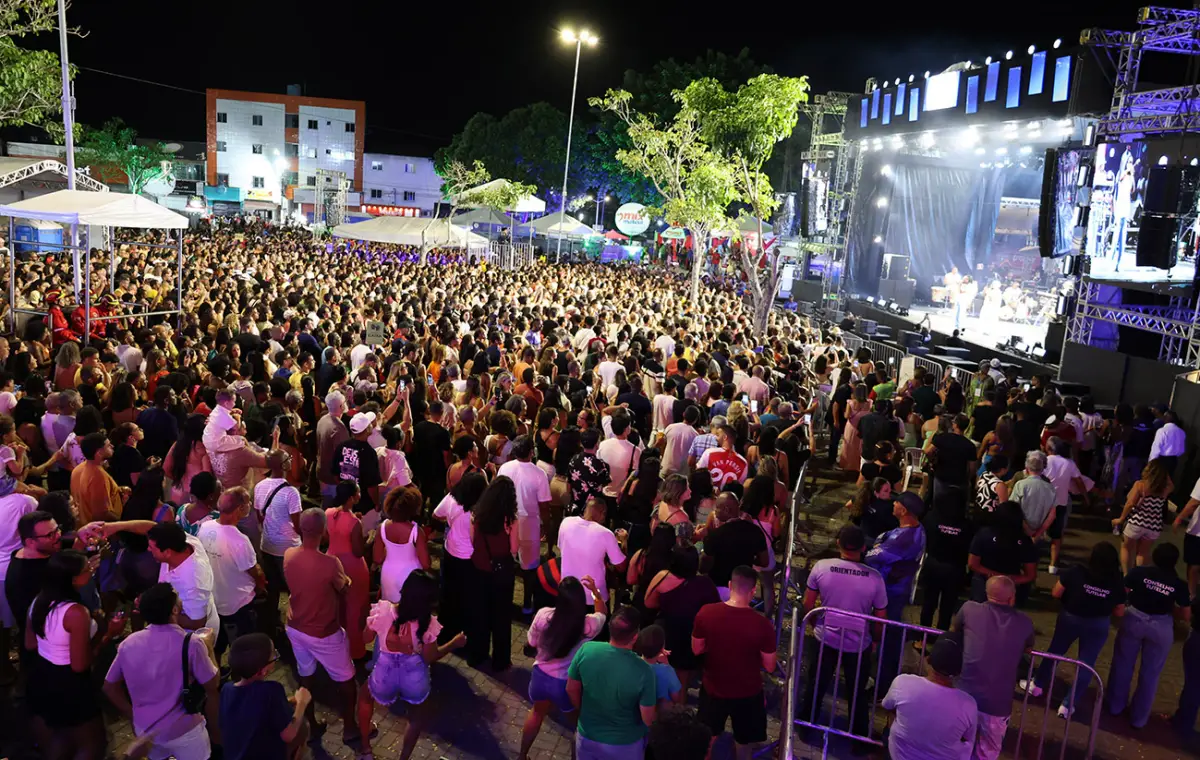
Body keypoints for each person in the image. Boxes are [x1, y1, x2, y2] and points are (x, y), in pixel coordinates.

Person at [356, 570, 468, 760]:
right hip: (414, 677)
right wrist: (454, 644)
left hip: (384, 673)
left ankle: (365, 749)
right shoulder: (428, 623)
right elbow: (431, 656)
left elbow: (365, 638)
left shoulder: (383, 609)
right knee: (415, 718)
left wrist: (370, 622)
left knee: (365, 698)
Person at [103, 583, 221, 760]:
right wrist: (209, 647)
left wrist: (132, 713)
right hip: (184, 729)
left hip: (146, 729)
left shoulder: (129, 643)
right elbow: (212, 683)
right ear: (174, 610)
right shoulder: (191, 643)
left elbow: (109, 686)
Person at [25, 550, 122, 760]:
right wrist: (108, 635)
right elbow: (80, 665)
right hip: (70, 684)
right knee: (92, 744)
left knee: (61, 736)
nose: (92, 571)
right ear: (74, 579)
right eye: (87, 570)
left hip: (43, 676)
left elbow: (30, 643)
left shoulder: (39, 601)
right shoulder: (76, 612)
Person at [799, 526, 887, 747]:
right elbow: (880, 618)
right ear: (863, 548)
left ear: (838, 543)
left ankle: (805, 730)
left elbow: (808, 605)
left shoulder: (821, 567)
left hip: (824, 636)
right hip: (859, 643)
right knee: (856, 692)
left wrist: (814, 624)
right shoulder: (875, 579)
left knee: (816, 684)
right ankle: (858, 740)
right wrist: (875, 640)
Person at [282, 507, 361, 749]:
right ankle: (349, 728)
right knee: (347, 679)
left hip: (295, 627)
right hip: (324, 632)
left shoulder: (288, 554)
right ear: (324, 532)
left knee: (306, 677)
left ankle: (312, 725)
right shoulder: (330, 563)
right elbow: (344, 588)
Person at [1019, 543, 1126, 718]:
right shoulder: (1116, 582)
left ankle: (1037, 685)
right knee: (1086, 664)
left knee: (1055, 651)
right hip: (1097, 625)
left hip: (1070, 618)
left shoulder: (1076, 571)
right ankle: (1068, 705)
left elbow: (1056, 592)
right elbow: (1119, 611)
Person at [692, 565, 777, 760]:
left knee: (707, 739)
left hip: (713, 688)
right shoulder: (762, 625)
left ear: (730, 585)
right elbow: (770, 665)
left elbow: (697, 649)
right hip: (748, 692)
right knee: (744, 743)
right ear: (753, 590)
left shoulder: (706, 613)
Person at [520, 575, 607, 759]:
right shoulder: (587, 625)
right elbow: (603, 612)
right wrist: (596, 592)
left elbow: (531, 642)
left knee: (536, 713)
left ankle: (522, 756)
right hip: (565, 685)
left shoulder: (543, 615)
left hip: (540, 676)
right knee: (578, 726)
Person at [1106, 542, 1191, 729]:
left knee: (1122, 664)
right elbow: (1186, 615)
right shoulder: (1179, 584)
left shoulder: (1139, 573)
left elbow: (1122, 592)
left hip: (1135, 618)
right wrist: (1169, 609)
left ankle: (1115, 706)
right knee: (1151, 674)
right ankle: (1138, 718)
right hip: (1161, 626)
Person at [951, 576, 1035, 760]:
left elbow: (954, 631)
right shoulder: (1024, 622)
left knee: (953, 748)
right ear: (1012, 598)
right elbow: (1028, 648)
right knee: (986, 753)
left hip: (962, 697)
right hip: (997, 705)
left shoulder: (969, 609)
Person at [566, 605, 658, 759]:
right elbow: (648, 719)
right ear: (635, 636)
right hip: (626, 745)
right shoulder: (645, 671)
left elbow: (570, 689)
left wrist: (584, 711)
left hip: (587, 736)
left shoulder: (586, 650)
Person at [880, 635, 977, 760]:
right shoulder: (969, 705)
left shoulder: (902, 683)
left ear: (928, 659)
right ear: (959, 671)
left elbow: (886, 705)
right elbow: (968, 738)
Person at [221, 632, 312, 760]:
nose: (276, 655)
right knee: (302, 726)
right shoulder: (271, 690)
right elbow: (289, 734)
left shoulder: (227, 689)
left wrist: (285, 702)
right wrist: (302, 702)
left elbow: (249, 709)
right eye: (274, 654)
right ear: (262, 670)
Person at [197, 486, 264, 657]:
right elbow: (254, 571)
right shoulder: (240, 540)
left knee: (217, 644)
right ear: (240, 509)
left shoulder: (205, 527)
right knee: (242, 646)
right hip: (238, 602)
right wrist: (261, 584)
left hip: (215, 598)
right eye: (248, 502)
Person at [466, 476, 519, 671]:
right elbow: (514, 549)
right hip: (501, 571)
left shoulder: (476, 516)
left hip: (479, 569)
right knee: (501, 616)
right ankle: (500, 659)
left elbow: (472, 542)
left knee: (479, 613)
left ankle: (477, 655)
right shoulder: (511, 520)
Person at [497, 435, 552, 614]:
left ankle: (505, 600)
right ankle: (527, 603)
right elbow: (544, 505)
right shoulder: (539, 474)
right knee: (529, 568)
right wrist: (546, 525)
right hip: (529, 525)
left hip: (507, 521)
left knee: (507, 562)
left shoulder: (505, 468)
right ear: (531, 452)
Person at [432, 471, 486, 642]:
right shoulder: (480, 510)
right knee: (468, 596)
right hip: (470, 558)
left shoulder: (451, 498)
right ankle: (464, 634)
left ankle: (445, 631)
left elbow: (435, 514)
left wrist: (449, 522)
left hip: (450, 552)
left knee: (448, 593)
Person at [325, 480, 371, 660]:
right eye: (358, 492)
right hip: (352, 566)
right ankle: (356, 651)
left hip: (332, 560)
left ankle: (337, 646)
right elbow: (358, 551)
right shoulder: (354, 523)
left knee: (337, 608)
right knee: (355, 609)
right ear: (352, 498)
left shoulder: (329, 513)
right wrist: (369, 539)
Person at [918, 485, 973, 637]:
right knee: (947, 606)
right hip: (955, 569)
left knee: (929, 603)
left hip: (933, 565)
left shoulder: (930, 518)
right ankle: (941, 635)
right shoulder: (967, 525)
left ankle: (923, 635)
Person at [149, 521, 219, 631]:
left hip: (192, 636)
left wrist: (156, 611)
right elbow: (149, 527)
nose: (149, 550)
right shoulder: (183, 542)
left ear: (167, 552)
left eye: (151, 547)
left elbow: (197, 623)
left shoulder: (194, 583)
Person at [558, 495, 627, 606]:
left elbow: (561, 548)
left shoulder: (566, 522)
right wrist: (624, 542)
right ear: (603, 513)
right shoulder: (606, 533)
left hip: (568, 591)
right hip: (594, 596)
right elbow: (621, 566)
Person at [967, 501, 1039, 604]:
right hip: (1007, 589)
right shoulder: (1024, 541)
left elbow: (972, 564)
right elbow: (1030, 574)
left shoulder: (984, 534)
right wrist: (1010, 579)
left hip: (984, 583)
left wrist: (993, 575)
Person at [1112, 459, 1173, 572]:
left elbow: (1130, 504)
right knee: (1143, 553)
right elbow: (1171, 484)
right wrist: (1162, 473)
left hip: (1137, 522)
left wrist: (1121, 519)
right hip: (1154, 526)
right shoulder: (1165, 489)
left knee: (1126, 548)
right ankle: (1140, 577)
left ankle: (1127, 576)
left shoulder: (1141, 485)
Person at [1011, 450, 1057, 540]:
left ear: (1027, 468)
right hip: (1038, 534)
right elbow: (1052, 515)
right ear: (1042, 468)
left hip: (1020, 531)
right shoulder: (1050, 488)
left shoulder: (1020, 485)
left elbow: (1013, 509)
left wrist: (1027, 530)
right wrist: (1038, 534)